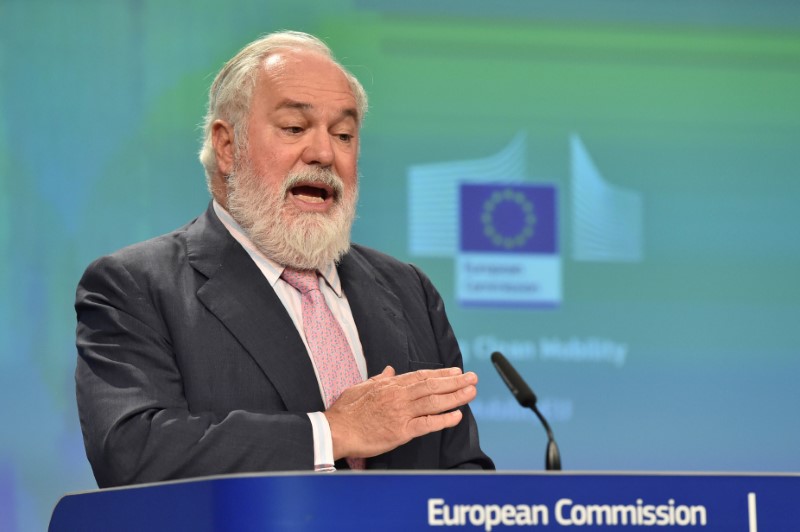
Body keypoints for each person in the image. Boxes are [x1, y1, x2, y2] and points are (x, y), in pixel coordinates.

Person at [75, 30, 493, 489]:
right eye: (295, 128)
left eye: (345, 134)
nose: (323, 153)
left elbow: (461, 472)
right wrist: (333, 432)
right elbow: (132, 451)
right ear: (228, 146)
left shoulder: (408, 289)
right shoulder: (136, 286)